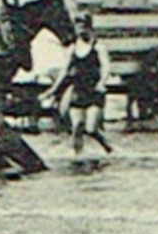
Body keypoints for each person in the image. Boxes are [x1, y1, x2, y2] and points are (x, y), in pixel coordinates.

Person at [44, 13, 112, 156]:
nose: (81, 31)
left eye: (84, 27)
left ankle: (107, 147)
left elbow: (106, 67)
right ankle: (78, 156)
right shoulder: (72, 49)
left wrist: (102, 82)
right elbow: (64, 71)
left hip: (94, 90)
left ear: (90, 28)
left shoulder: (99, 47)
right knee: (76, 127)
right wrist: (52, 90)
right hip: (78, 91)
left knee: (91, 129)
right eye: (78, 27)